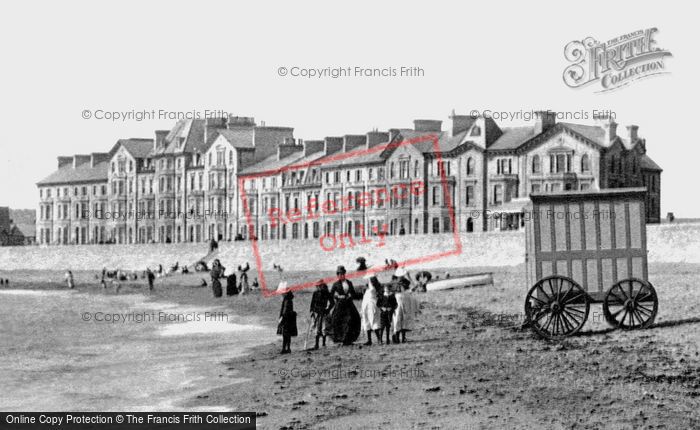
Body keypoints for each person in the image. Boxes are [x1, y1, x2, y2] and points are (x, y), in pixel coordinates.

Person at [329, 265, 361, 345]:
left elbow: (353, 293)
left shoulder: (349, 283)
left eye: (342, 274)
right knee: (337, 320)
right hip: (339, 305)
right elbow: (331, 294)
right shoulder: (335, 284)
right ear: (337, 275)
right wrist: (337, 296)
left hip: (348, 304)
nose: (341, 275)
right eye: (339, 274)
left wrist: (351, 295)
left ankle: (348, 339)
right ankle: (340, 339)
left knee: (352, 319)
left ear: (344, 274)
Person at [392, 277, 419, 343]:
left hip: (398, 310)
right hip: (402, 310)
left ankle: (398, 338)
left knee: (398, 323)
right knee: (402, 323)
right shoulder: (405, 293)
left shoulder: (396, 294)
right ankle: (402, 338)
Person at [309, 281, 333, 350]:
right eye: (317, 286)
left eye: (319, 286)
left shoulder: (327, 293)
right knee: (316, 328)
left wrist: (328, 309)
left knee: (323, 328)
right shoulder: (315, 293)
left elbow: (332, 302)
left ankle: (323, 343)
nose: (318, 287)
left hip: (323, 312)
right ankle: (316, 344)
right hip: (316, 312)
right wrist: (311, 311)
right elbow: (312, 303)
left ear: (322, 286)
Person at [360, 275, 382, 345]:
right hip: (366, 304)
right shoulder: (368, 288)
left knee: (374, 320)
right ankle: (370, 340)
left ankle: (379, 339)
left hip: (371, 305)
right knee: (367, 321)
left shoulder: (373, 288)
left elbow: (376, 292)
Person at [376, 278, 397, 344]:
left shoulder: (392, 296)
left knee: (388, 326)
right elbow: (378, 304)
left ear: (389, 289)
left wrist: (391, 308)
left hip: (389, 313)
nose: (387, 289)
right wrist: (382, 308)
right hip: (383, 312)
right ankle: (380, 340)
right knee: (382, 326)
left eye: (388, 288)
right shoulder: (381, 296)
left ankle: (388, 339)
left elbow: (395, 304)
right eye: (385, 288)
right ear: (384, 289)